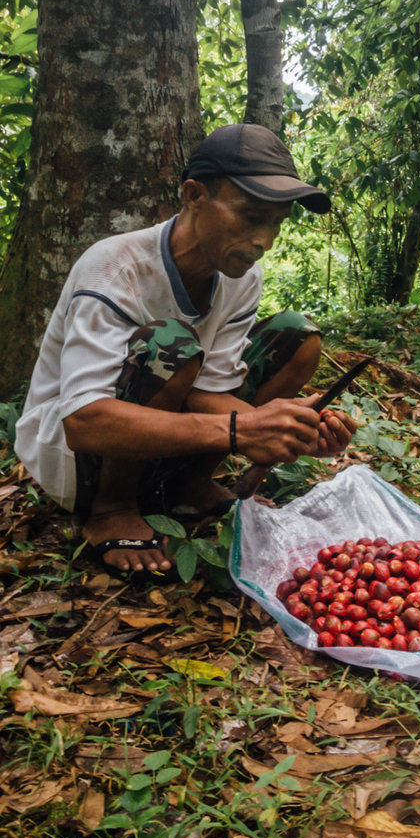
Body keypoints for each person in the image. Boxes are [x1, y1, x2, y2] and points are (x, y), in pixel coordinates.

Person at [15, 123, 357, 582]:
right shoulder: (115, 269)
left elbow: (210, 389)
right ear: (194, 195)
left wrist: (289, 429)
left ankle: (189, 484)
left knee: (295, 336)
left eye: (276, 223)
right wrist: (240, 429)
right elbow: (83, 421)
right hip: (75, 459)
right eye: (251, 216)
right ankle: (112, 508)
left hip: (159, 432)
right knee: (171, 343)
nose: (264, 241)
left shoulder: (239, 276)